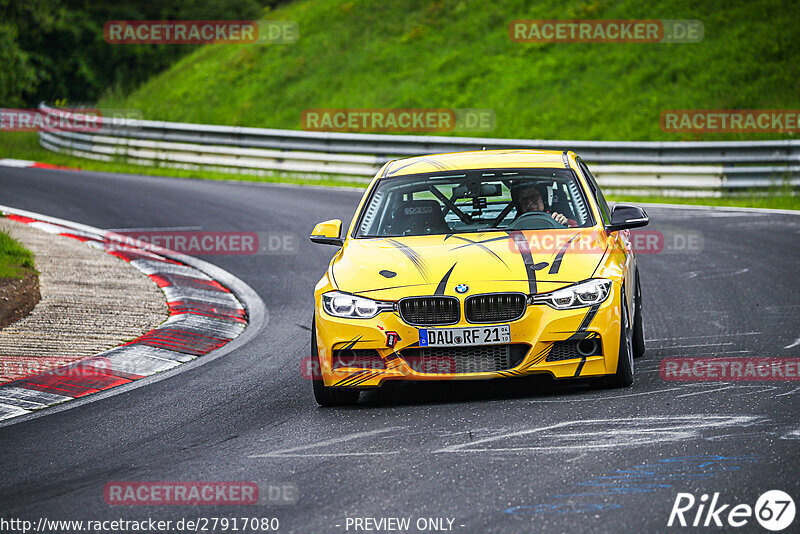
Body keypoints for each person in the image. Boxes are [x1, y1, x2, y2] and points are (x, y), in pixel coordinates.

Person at [511, 183, 577, 227]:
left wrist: (565, 224)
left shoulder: (557, 218)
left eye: (534, 197)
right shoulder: (513, 226)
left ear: (544, 199)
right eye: (524, 199)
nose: (529, 203)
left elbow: (578, 230)